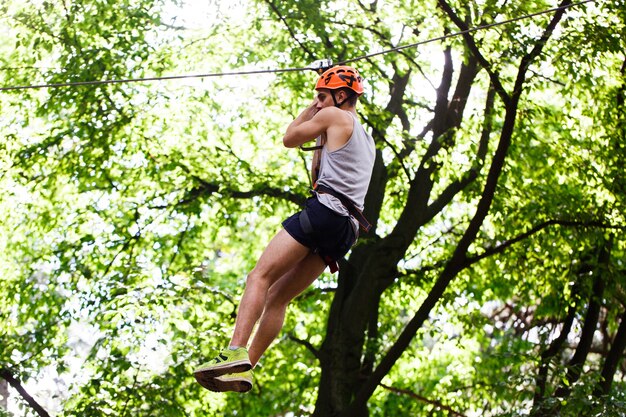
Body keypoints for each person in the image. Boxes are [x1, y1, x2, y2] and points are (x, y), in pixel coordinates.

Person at [193, 65, 376, 393]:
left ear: (342, 96)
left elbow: (290, 138)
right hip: (346, 229)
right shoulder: (367, 138)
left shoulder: (333, 117)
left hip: (324, 212)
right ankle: (246, 367)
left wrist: (314, 107)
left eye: (323, 96)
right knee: (278, 297)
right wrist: (324, 97)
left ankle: (234, 351)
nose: (319, 102)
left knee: (259, 277)